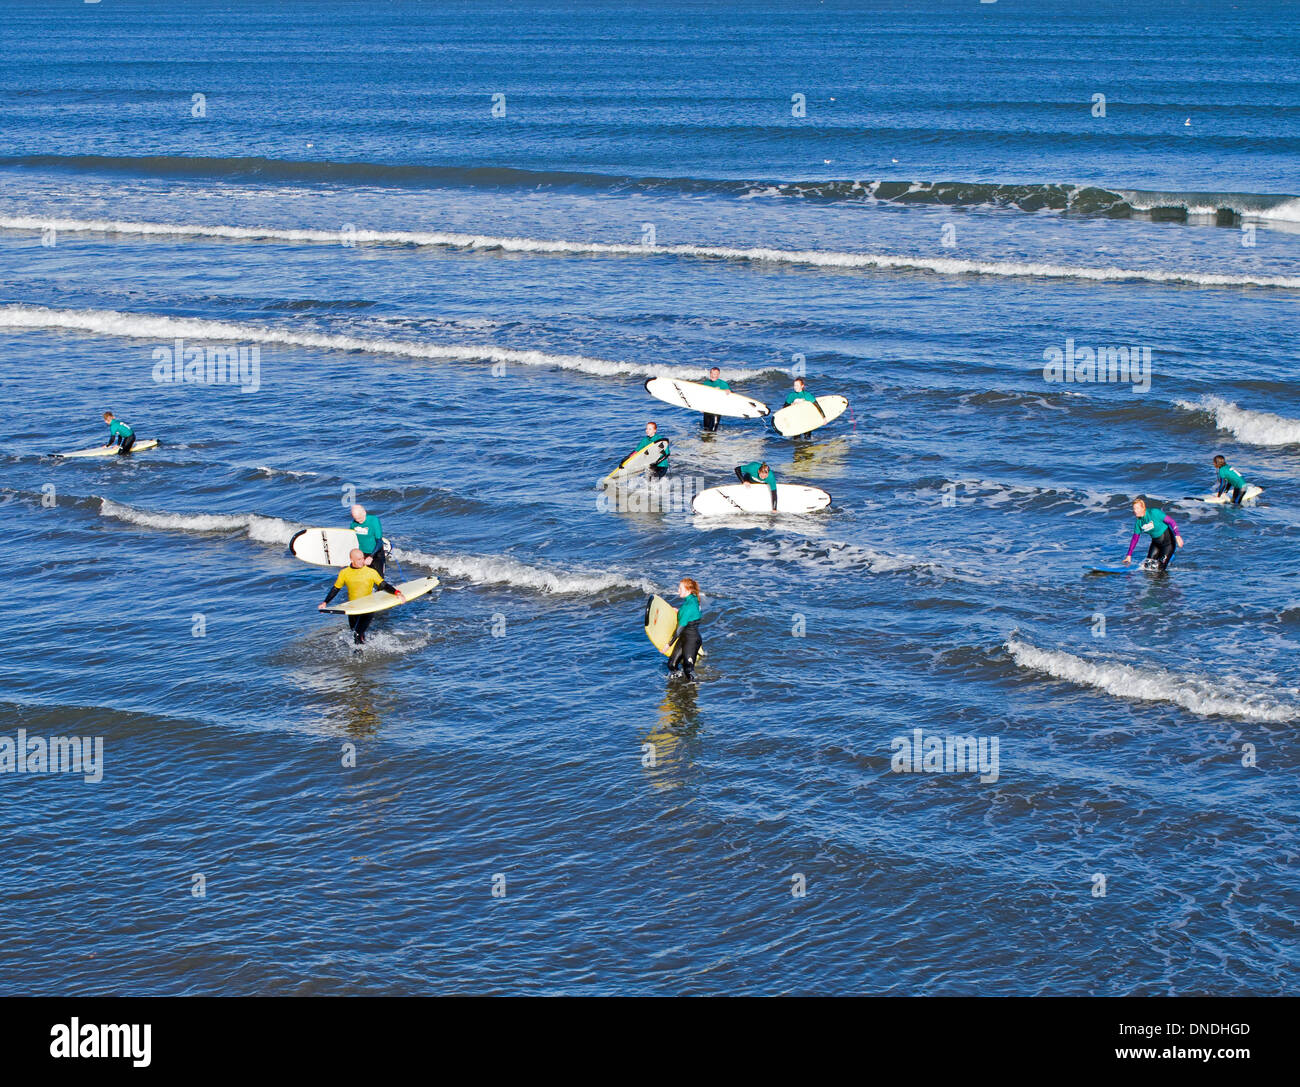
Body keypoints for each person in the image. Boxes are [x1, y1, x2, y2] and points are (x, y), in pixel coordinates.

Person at [319, 548, 405, 644]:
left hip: (367, 608)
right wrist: (325, 602)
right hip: (353, 608)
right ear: (352, 560)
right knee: (356, 633)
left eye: (362, 558)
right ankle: (367, 649)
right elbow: (335, 589)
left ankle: (359, 656)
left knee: (357, 634)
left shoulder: (370, 572)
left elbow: (383, 585)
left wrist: (397, 592)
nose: (362, 561)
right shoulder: (344, 573)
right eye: (359, 559)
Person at [1122, 498, 1184, 572]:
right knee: (1147, 567)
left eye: (1137, 508)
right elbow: (1135, 539)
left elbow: (1172, 522)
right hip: (1156, 544)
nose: (1135, 511)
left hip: (1168, 544)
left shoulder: (1154, 513)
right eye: (1134, 509)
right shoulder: (1139, 523)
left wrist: (1177, 536)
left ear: (1143, 508)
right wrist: (1129, 555)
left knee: (1160, 569)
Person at [666, 577, 703, 682]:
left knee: (688, 670)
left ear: (689, 590)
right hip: (684, 639)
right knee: (671, 665)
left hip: (691, 640)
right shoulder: (693, 598)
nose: (678, 591)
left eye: (680, 588)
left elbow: (680, 629)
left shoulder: (689, 606)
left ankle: (693, 690)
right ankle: (679, 685)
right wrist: (679, 612)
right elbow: (692, 613)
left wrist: (668, 645)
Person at [349, 504, 387, 576]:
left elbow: (379, 541)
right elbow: (351, 540)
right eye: (356, 519)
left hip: (376, 553)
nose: (359, 521)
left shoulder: (373, 520)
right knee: (363, 578)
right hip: (362, 554)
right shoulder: (353, 524)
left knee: (379, 578)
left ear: (364, 513)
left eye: (360, 518)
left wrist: (371, 556)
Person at [699, 367, 729, 432]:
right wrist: (701, 406)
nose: (713, 375)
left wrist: (728, 392)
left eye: (715, 374)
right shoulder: (706, 383)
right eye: (711, 373)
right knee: (706, 428)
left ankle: (713, 441)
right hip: (707, 408)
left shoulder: (723, 384)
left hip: (717, 409)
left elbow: (730, 396)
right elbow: (702, 396)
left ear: (718, 375)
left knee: (713, 429)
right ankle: (705, 441)